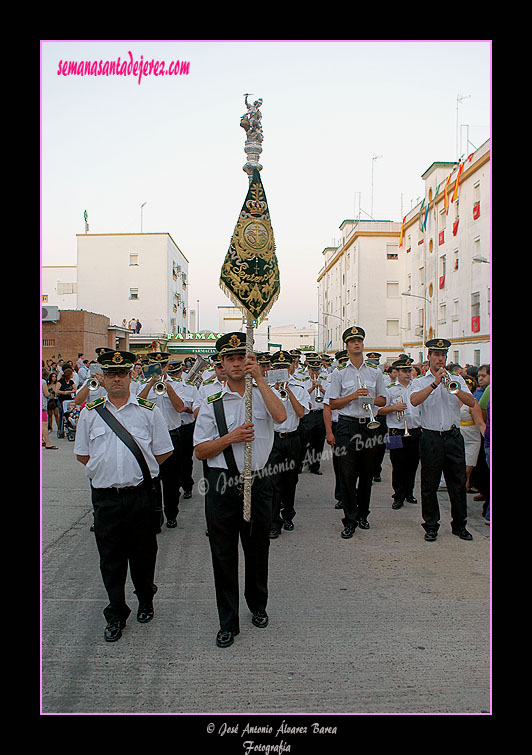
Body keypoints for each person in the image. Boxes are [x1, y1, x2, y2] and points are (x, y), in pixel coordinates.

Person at [193, 332, 286, 649]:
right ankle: (227, 622)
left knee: (258, 549)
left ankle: (257, 605)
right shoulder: (210, 402)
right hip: (222, 484)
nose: (236, 363)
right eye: (230, 358)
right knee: (223, 554)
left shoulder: (261, 394)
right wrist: (229, 438)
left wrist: (260, 379)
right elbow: (201, 451)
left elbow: (282, 416)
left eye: (242, 357)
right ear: (222, 363)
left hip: (257, 481)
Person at [74, 350, 173, 641]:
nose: (117, 378)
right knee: (110, 558)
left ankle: (145, 598)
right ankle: (116, 611)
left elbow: (164, 451)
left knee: (143, 554)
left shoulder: (147, 410)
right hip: (105, 498)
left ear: (131, 376)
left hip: (139, 495)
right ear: (102, 378)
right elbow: (83, 455)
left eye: (122, 373)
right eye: (111, 374)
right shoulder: (90, 414)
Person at [410, 338, 476, 542]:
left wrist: (452, 387)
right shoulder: (420, 381)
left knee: (457, 483)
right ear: (428, 357)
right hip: (431, 437)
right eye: (436, 355)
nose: (440, 358)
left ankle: (459, 525)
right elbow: (413, 400)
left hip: (453, 437)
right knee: (429, 484)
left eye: (443, 355)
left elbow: (471, 401)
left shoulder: (456, 379)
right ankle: (431, 525)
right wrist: (434, 384)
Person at [328, 326, 387, 538]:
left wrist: (368, 398)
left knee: (367, 472)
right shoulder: (339, 372)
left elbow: (383, 400)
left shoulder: (375, 371)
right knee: (347, 473)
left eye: (359, 340)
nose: (356, 343)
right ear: (346, 345)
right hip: (347, 425)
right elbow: (333, 403)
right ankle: (349, 519)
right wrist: (353, 396)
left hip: (369, 425)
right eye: (352, 341)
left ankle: (363, 514)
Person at [137, 352, 186, 529]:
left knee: (172, 481)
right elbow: (136, 405)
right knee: (151, 479)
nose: (159, 369)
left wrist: (167, 387)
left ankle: (172, 513)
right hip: (148, 439)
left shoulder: (179, 384)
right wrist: (151, 383)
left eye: (162, 366)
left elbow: (180, 407)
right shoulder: (141, 385)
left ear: (166, 367)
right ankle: (156, 516)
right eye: (155, 366)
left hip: (172, 434)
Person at [266, 350, 308, 538]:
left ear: (291, 366)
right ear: (273, 368)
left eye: (285, 366)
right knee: (273, 482)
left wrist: (288, 390)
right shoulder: (267, 389)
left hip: (292, 438)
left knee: (290, 480)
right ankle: (274, 522)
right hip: (273, 439)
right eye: (278, 367)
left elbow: (300, 413)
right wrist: (274, 390)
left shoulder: (299, 387)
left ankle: (288, 515)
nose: (282, 369)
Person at [377, 357, 421, 509]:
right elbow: (380, 410)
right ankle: (398, 495)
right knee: (397, 464)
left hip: (414, 431)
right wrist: (394, 408)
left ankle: (409, 492)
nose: (408, 374)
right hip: (395, 431)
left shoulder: (417, 388)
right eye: (405, 371)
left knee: (413, 463)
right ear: (397, 373)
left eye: (409, 371)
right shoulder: (390, 390)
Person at [323, 349, 349, 509]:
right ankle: (341, 495)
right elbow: (327, 408)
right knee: (340, 463)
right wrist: (329, 432)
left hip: (356, 425)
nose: (344, 365)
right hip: (339, 425)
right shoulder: (332, 379)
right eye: (342, 362)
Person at [459, 376, 485, 492]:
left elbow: (480, 423)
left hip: (471, 441)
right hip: (457, 440)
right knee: (458, 471)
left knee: (466, 471)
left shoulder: (472, 403)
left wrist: (487, 437)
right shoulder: (453, 401)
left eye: (469, 386)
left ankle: (462, 494)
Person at [56, 367, 77, 437]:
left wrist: (70, 392)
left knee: (69, 413)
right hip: (62, 399)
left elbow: (75, 389)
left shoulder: (71, 382)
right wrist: (64, 392)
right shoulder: (60, 381)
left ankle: (70, 427)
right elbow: (57, 390)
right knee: (62, 414)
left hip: (69, 399)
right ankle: (60, 430)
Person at [42, 369, 58, 449]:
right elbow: (46, 393)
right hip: (42, 406)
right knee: (44, 424)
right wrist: (50, 394)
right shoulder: (43, 382)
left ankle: (41, 439)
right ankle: (48, 442)